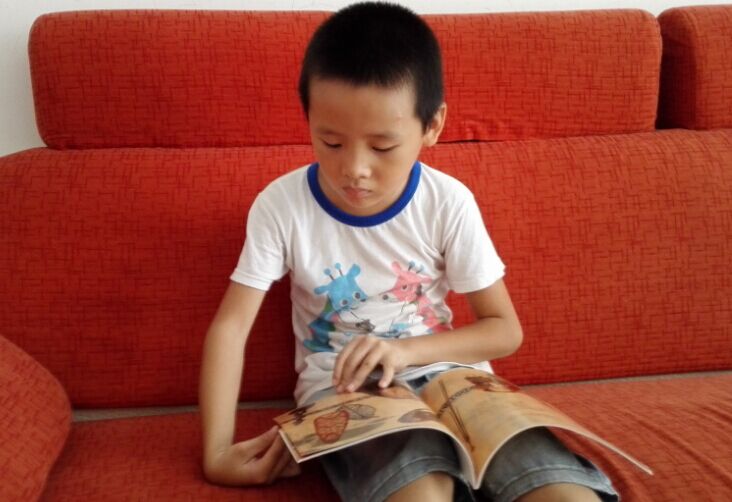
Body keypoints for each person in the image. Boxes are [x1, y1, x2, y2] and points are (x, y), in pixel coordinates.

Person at [199, 2, 619, 501]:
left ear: (432, 125)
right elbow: (231, 328)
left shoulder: (447, 202)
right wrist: (217, 451)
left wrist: (405, 352)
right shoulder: (281, 205)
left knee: (560, 491)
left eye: (382, 147)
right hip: (347, 388)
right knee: (419, 489)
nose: (354, 169)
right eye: (330, 141)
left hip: (453, 377)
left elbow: (504, 330)